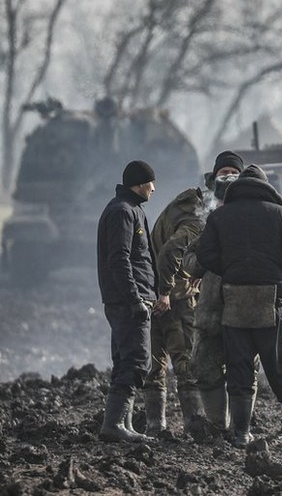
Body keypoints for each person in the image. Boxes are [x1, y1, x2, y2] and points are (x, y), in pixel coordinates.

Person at [196, 164, 282, 449]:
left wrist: (230, 270)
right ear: (266, 186)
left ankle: (240, 434)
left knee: (239, 369)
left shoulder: (219, 216)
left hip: (234, 300)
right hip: (271, 299)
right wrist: (278, 272)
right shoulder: (281, 214)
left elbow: (205, 255)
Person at [142, 151, 244, 436]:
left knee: (157, 362)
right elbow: (170, 252)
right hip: (175, 296)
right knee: (187, 360)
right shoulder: (196, 219)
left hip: (156, 291)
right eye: (224, 174)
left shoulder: (185, 204)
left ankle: (155, 426)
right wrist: (166, 292)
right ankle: (196, 424)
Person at [96, 160, 158, 443]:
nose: (154, 189)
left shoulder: (131, 210)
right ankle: (115, 425)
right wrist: (136, 300)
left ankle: (124, 426)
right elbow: (119, 260)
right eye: (150, 183)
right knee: (136, 362)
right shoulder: (122, 212)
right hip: (128, 302)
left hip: (130, 299)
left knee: (125, 360)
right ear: (140, 183)